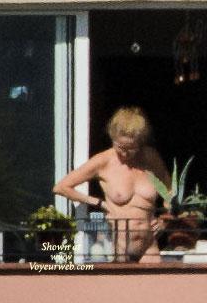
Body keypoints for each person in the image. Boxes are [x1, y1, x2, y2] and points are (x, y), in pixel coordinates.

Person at [53, 106, 170, 262]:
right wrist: (97, 202)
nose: (125, 153)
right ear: (113, 138)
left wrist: (166, 219)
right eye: (120, 147)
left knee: (155, 284)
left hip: (148, 244)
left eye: (131, 148)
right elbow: (61, 187)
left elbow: (170, 191)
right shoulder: (103, 161)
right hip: (118, 245)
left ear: (140, 142)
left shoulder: (150, 158)